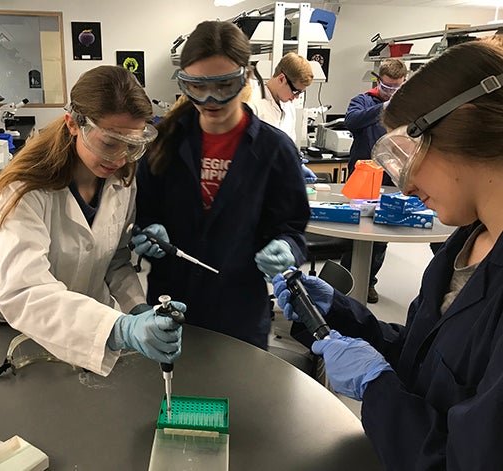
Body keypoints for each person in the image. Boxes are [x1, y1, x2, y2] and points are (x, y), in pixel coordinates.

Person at [273, 41, 503, 469]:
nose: (407, 186)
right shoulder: (464, 242)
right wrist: (339, 312)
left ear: (465, 127)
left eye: (408, 156)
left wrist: (378, 388)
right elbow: (425, 357)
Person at [0, 65, 185, 376]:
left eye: (132, 145)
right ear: (73, 124)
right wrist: (121, 328)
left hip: (87, 326)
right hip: (14, 330)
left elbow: (117, 261)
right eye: (109, 143)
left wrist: (139, 310)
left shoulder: (122, 178)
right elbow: (24, 289)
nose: (121, 158)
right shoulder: (26, 188)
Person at [131, 20, 310, 350]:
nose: (210, 100)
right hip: (170, 304)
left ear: (245, 77)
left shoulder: (275, 150)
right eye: (196, 87)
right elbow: (140, 213)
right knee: (168, 396)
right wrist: (145, 231)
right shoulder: (164, 142)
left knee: (238, 397)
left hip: (239, 310)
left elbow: (292, 226)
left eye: (223, 85)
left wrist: (288, 248)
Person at [341, 58, 408, 303]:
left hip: (391, 179)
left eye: (397, 88)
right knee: (355, 234)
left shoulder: (407, 108)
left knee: (380, 237)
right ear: (378, 81)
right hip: (362, 178)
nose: (391, 91)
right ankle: (347, 282)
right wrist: (384, 106)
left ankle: (369, 282)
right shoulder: (363, 100)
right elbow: (352, 121)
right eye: (387, 87)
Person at [246, 52, 317, 183]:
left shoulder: (288, 107)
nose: (296, 97)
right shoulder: (253, 104)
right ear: (281, 79)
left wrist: (296, 163)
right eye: (296, 91)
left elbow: (288, 145)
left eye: (301, 93)